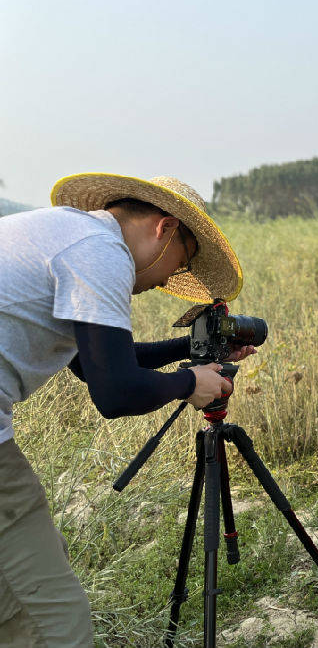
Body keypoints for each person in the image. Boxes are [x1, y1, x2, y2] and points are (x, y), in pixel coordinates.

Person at [0, 173, 255, 646]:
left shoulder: (68, 233)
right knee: (54, 622)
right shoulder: (101, 252)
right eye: (181, 263)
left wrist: (191, 350)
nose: (165, 282)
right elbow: (114, 392)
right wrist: (189, 383)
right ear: (165, 229)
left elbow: (94, 364)